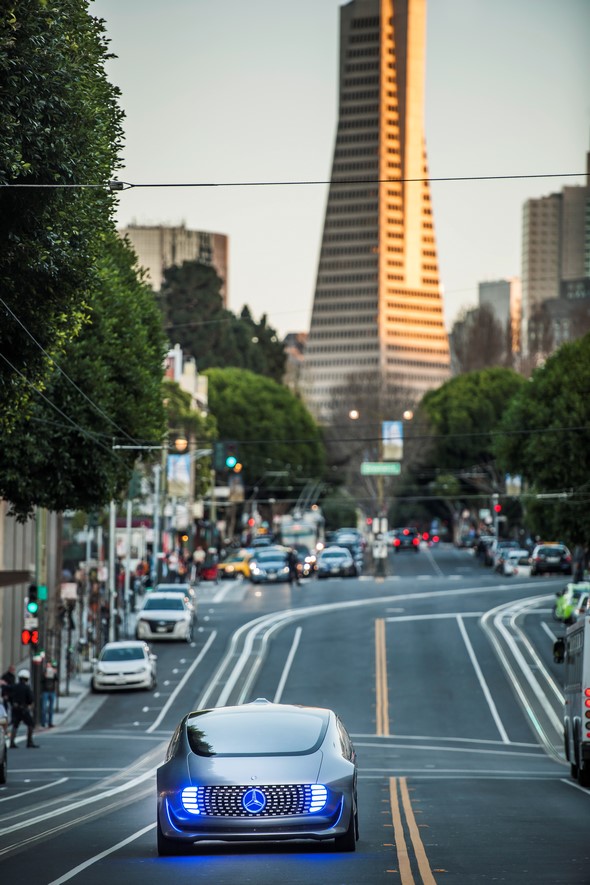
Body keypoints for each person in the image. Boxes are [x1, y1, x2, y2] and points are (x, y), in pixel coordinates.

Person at [9, 669, 39, 748]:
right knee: (31, 724)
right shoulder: (26, 688)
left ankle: (12, 742)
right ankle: (29, 741)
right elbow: (30, 699)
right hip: (23, 709)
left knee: (15, 725)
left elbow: (9, 696)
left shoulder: (14, 686)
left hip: (15, 708)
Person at [40, 661, 58, 728]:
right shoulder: (44, 672)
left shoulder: (53, 672)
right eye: (47, 666)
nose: (48, 667)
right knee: (44, 708)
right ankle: (43, 722)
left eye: (49, 666)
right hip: (45, 691)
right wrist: (45, 676)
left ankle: (50, 722)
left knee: (51, 708)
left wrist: (55, 673)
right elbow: (41, 681)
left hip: (52, 691)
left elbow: (56, 679)